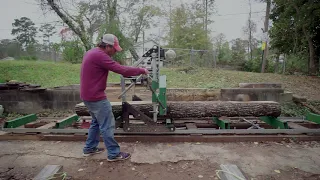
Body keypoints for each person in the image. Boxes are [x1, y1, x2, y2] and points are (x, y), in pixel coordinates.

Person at [80, 34, 149, 161]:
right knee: (107, 124)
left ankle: (89, 148)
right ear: (107, 46)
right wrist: (141, 70)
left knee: (96, 122)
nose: (115, 51)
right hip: (96, 97)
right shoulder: (100, 56)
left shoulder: (92, 52)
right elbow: (121, 69)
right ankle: (113, 154)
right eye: (114, 49)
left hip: (87, 95)